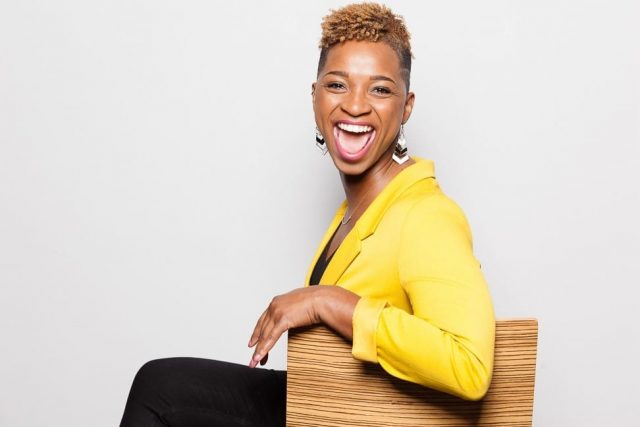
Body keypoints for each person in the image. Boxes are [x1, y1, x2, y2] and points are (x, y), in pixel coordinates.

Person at [119, 3, 495, 426]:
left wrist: (328, 301)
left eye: (379, 90)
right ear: (315, 96)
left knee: (160, 389)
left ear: (405, 107)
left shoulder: (426, 215)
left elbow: (470, 364)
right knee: (161, 385)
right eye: (337, 85)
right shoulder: (359, 211)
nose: (355, 105)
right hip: (328, 404)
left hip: (357, 416)